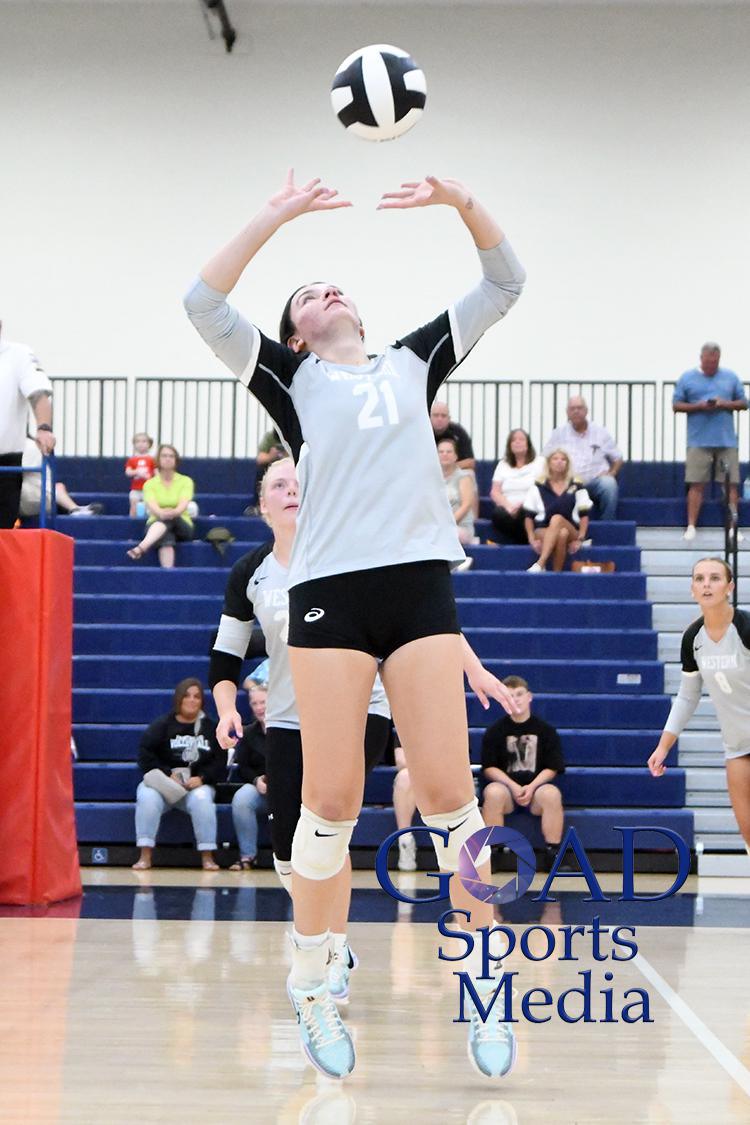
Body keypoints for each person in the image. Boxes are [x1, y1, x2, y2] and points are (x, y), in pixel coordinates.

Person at [185, 169, 525, 1081]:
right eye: (306, 295)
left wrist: (462, 202)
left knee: (456, 805)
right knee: (330, 804)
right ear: (297, 331)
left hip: (417, 589)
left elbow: (505, 282)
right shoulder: (292, 379)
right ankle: (311, 980)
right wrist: (276, 212)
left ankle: (487, 987)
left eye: (333, 285)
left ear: (359, 313)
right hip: (332, 596)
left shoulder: (415, 361)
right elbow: (201, 300)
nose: (325, 291)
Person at [208, 457, 393, 1007]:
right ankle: (331, 936)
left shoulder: (343, 557)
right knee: (289, 855)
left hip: (361, 709)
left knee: (329, 832)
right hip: (289, 717)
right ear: (262, 506)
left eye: (299, 484)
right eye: (279, 486)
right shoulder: (250, 573)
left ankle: (331, 949)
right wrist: (225, 709)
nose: (291, 492)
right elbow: (224, 659)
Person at [648, 558, 750, 859]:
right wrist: (663, 747)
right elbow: (688, 696)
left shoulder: (745, 628)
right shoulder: (693, 638)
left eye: (715, 578)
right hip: (736, 746)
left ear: (729, 587)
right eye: (700, 578)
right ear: (692, 589)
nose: (707, 584)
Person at [132, 678, 227, 871]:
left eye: (197, 696)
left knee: (203, 800)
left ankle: (207, 856)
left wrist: (202, 778)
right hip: (164, 786)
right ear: (179, 699)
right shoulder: (162, 725)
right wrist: (167, 775)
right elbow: (145, 755)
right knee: (147, 797)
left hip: (195, 786)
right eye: (187, 696)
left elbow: (220, 762)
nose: (192, 700)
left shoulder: (210, 728)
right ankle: (145, 855)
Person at [480, 676, 566, 871]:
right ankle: (492, 853)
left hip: (536, 791)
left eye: (519, 694)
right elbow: (489, 767)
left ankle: (552, 854)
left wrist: (531, 786)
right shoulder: (495, 731)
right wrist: (514, 786)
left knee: (552, 794)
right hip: (507, 793)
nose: (516, 699)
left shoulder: (545, 731)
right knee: (493, 792)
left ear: (529, 697)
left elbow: (553, 767)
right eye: (510, 696)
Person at [672, 343, 748, 541]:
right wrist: (698, 406)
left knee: (731, 484)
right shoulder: (687, 378)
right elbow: (676, 404)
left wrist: (725, 403)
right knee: (696, 483)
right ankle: (691, 526)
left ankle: (732, 527)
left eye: (715, 362)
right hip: (698, 440)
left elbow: (743, 402)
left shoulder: (730, 377)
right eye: (708, 361)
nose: (711, 365)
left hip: (726, 440)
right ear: (701, 358)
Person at [0, 320, 55, 529]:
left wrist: (44, 429)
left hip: (5, 462)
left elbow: (38, 394)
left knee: (2, 533)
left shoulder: (19, 355)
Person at [543, 396, 622, 520]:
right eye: (572, 408)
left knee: (609, 484)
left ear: (586, 411)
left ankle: (608, 525)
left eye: (579, 408)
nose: (576, 411)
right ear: (567, 413)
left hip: (595, 482)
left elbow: (617, 457)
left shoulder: (600, 432)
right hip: (569, 483)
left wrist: (612, 473)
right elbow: (545, 457)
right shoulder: (558, 433)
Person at [126, 443, 196, 567]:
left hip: (182, 524)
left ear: (176, 460)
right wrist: (161, 513)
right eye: (164, 456)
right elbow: (152, 506)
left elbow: (182, 505)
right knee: (166, 538)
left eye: (171, 456)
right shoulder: (150, 484)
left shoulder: (186, 481)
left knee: (168, 520)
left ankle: (141, 547)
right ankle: (168, 575)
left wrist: (172, 513)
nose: (168, 459)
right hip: (156, 522)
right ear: (158, 459)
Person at [523, 448, 592, 572]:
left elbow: (584, 514)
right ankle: (556, 575)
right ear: (549, 463)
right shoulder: (539, 486)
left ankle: (540, 563)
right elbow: (528, 516)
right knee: (562, 534)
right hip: (543, 529)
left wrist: (581, 538)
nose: (559, 462)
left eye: (563, 459)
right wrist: (531, 539)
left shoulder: (576, 485)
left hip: (572, 529)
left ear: (567, 464)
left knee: (557, 519)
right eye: (555, 459)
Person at [228, 679, 268, 870]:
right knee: (242, 798)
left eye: (263, 703)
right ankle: (247, 856)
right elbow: (243, 768)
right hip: (262, 790)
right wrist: (256, 780)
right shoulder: (249, 733)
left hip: (290, 790)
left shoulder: (292, 731)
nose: (259, 708)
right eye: (255, 703)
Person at [19, 438, 104, 519]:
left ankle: (74, 509)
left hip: (29, 498)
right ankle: (74, 509)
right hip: (29, 496)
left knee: (57, 487)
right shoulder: (26, 445)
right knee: (57, 487)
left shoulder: (28, 446)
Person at [489, 429, 545, 545]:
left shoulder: (540, 462)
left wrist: (522, 504)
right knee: (498, 514)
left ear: (528, 444)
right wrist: (509, 507)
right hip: (508, 506)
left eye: (521, 439)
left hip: (531, 505)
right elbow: (495, 492)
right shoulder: (503, 464)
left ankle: (519, 544)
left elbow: (543, 488)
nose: (517, 442)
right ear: (509, 445)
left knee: (524, 513)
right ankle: (523, 542)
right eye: (514, 440)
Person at [438, 435, 476, 545]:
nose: (445, 454)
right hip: (438, 527)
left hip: (460, 527)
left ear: (455, 456)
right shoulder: (432, 479)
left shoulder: (464, 477)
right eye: (441, 452)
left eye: (449, 452)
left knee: (445, 535)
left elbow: (466, 505)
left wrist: (446, 524)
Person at [245, 427, 286, 515]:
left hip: (289, 471)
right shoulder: (270, 437)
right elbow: (260, 459)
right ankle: (259, 505)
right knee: (261, 471)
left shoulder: (295, 438)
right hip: (272, 469)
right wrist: (271, 456)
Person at [430, 400, 475, 469]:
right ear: (429, 418)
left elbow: (470, 462)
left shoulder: (458, 433)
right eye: (436, 415)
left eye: (443, 416)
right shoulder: (421, 433)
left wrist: (447, 469)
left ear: (449, 418)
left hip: (453, 474)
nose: (439, 419)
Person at [125, 432, 156, 517]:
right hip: (136, 488)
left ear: (149, 444)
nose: (141, 444)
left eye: (144, 441)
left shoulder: (152, 459)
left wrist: (151, 477)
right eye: (138, 441)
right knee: (133, 507)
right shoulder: (132, 459)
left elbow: (156, 473)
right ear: (134, 444)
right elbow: (128, 472)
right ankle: (132, 523)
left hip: (149, 489)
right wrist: (137, 472)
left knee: (150, 508)